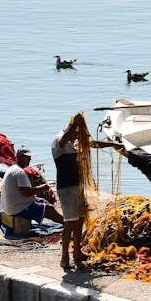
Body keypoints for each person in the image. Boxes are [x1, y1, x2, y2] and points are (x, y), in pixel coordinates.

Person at [52, 114, 122, 272]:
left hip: (77, 186)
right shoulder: (59, 141)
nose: (79, 137)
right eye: (77, 133)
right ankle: (64, 257)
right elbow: (65, 139)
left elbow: (92, 144)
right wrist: (74, 125)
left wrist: (112, 144)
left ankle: (77, 252)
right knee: (69, 222)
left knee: (80, 219)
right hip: (67, 188)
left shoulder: (74, 142)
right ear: (72, 130)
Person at [0, 147, 63, 231]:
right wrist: (42, 188)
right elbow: (26, 192)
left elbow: (23, 192)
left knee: (42, 202)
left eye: (29, 157)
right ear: (19, 158)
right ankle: (67, 224)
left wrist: (36, 198)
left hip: (10, 207)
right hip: (17, 209)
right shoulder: (19, 172)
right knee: (49, 209)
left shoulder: (12, 169)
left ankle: (64, 223)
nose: (30, 159)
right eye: (27, 157)